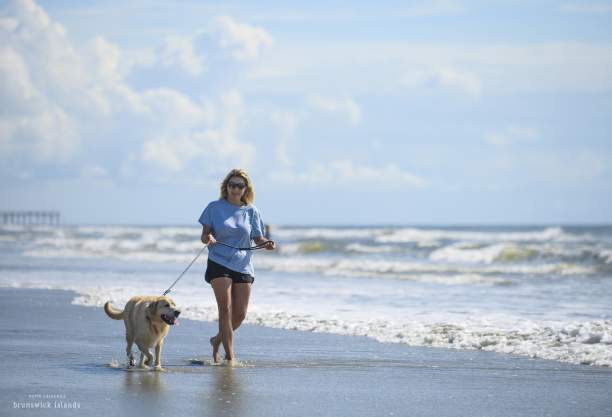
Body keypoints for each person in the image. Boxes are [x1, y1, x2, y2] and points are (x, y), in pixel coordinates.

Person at [199, 168, 275, 364]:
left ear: (245, 189)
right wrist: (208, 237)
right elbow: (204, 235)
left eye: (239, 186)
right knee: (225, 309)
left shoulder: (252, 210)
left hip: (243, 264)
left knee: (240, 314)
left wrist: (266, 243)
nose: (235, 189)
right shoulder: (214, 207)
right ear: (226, 187)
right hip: (219, 261)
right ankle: (230, 356)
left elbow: (258, 237)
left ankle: (216, 340)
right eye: (232, 185)